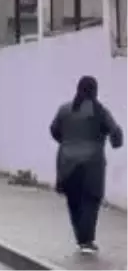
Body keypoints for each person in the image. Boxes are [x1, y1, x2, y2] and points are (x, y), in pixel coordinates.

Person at [50, 76, 123, 254]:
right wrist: (115, 142)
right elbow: (115, 132)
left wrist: (67, 142)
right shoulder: (99, 111)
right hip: (92, 164)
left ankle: (81, 238)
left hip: (67, 162)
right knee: (90, 200)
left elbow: (54, 130)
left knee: (73, 201)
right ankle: (87, 240)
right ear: (94, 90)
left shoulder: (64, 110)